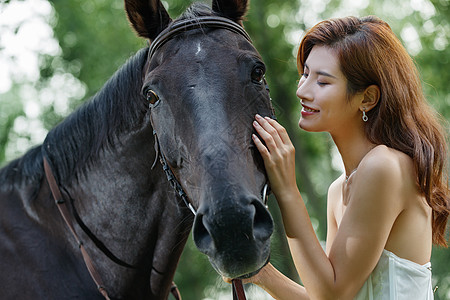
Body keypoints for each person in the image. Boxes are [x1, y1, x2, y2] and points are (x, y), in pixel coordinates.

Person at [238, 16, 450, 299]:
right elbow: (324, 293)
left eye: (323, 82)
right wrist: (260, 273)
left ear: (367, 98)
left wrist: (287, 188)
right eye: (305, 74)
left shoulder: (384, 166)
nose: (302, 91)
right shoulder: (339, 190)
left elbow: (332, 296)